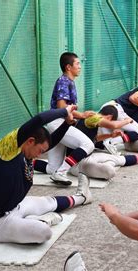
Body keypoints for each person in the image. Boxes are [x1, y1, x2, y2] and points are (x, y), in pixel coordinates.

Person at [0, 106, 92, 244]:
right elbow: (39, 119)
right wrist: (65, 112)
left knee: (47, 202)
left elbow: (50, 143)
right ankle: (41, 220)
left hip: (15, 207)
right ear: (30, 141)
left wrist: (67, 123)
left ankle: (82, 197)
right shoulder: (7, 150)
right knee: (44, 233)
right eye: (40, 150)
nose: (40, 154)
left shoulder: (27, 151)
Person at [45, 52, 95, 185]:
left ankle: (29, 164)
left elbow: (66, 108)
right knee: (88, 145)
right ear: (68, 67)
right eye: (77, 63)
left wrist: (82, 115)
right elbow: (62, 107)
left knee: (52, 168)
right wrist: (82, 115)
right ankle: (60, 173)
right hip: (58, 123)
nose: (80, 66)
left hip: (56, 123)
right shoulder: (64, 81)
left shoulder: (69, 81)